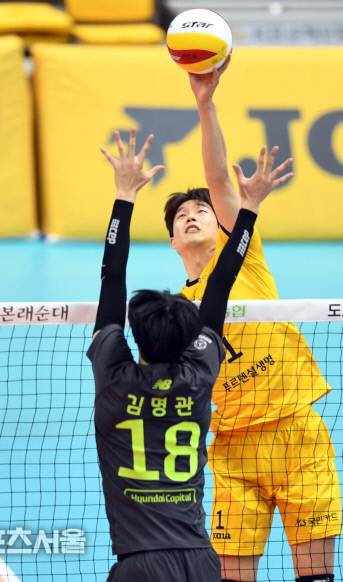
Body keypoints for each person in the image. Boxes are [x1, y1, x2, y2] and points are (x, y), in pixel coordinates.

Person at [162, 57, 340, 582]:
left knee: (316, 578)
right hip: (233, 448)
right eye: (180, 216)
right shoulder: (173, 312)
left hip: (298, 433)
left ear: (221, 226)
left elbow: (219, 178)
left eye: (201, 211)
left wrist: (205, 103)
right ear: (172, 242)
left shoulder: (243, 258)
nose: (192, 216)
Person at [87, 129, 286, 581]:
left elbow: (111, 278)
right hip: (200, 561)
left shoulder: (116, 380)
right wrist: (250, 208)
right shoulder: (198, 378)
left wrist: (124, 195)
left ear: (134, 336)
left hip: (140, 565)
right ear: (188, 336)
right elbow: (222, 283)